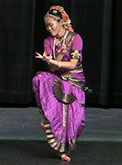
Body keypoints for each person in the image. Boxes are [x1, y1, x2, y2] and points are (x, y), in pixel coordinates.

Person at [32, 5, 87, 162]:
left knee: (75, 119)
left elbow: (73, 64)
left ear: (61, 22)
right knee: (39, 78)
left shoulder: (75, 38)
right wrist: (53, 61)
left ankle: (65, 150)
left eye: (52, 25)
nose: (49, 29)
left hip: (75, 81)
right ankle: (46, 119)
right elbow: (52, 68)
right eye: (47, 26)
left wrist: (59, 58)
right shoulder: (48, 42)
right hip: (60, 79)